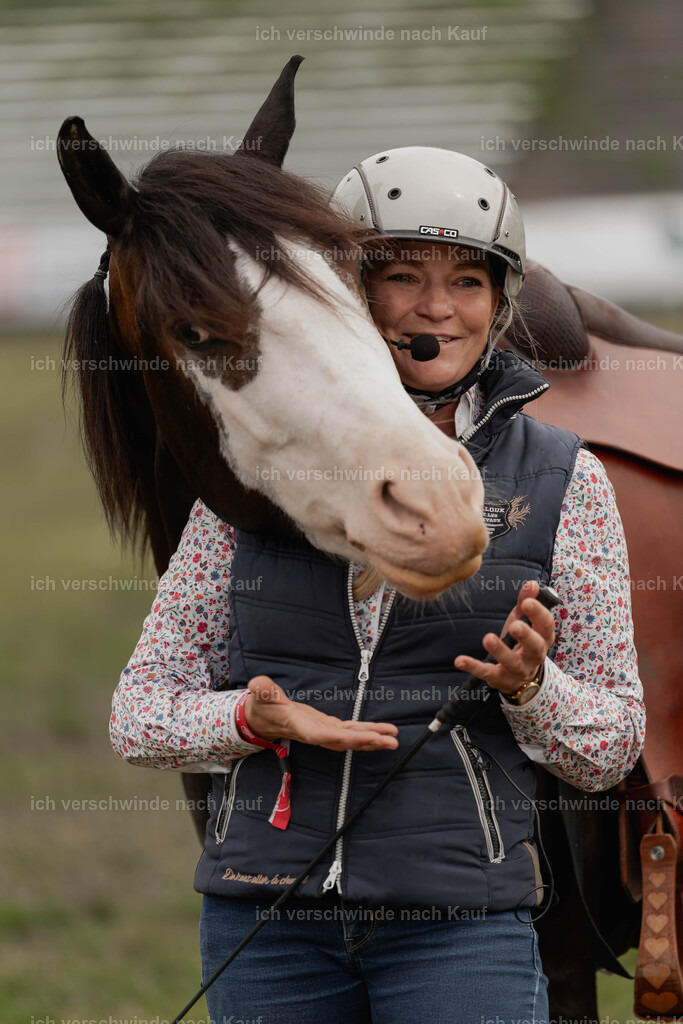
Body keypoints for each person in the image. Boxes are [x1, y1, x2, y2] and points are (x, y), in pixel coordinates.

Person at [110, 148, 645, 1024]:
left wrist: (533, 690)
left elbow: (609, 748)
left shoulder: (565, 482)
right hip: (265, 925)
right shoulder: (250, 479)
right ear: (348, 295)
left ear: (498, 305)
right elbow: (138, 717)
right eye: (401, 276)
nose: (436, 307)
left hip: (459, 928)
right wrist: (249, 719)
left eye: (468, 281)